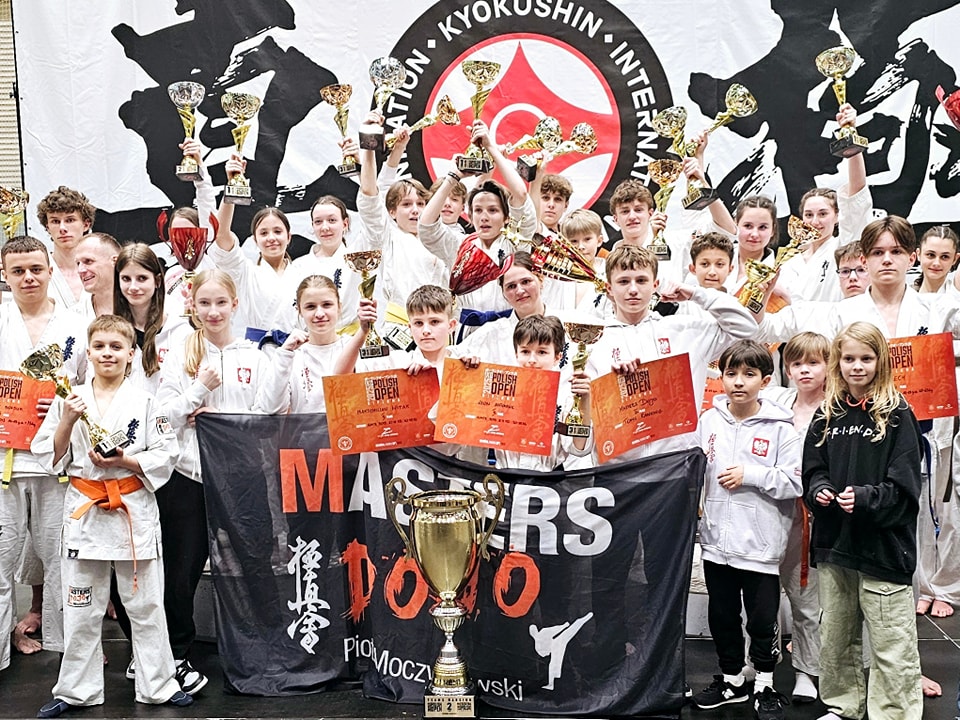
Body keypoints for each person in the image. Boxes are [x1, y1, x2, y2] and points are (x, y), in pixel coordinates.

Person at [30, 315, 191, 716]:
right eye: (100, 346)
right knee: (81, 609)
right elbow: (49, 455)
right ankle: (75, 690)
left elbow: (166, 454)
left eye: (116, 347)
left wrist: (126, 461)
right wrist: (67, 420)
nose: (107, 353)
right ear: (88, 352)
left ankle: (159, 685)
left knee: (146, 606)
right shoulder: (71, 398)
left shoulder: (147, 402)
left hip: (132, 511)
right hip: (85, 512)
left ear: (131, 354)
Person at [155, 269, 270, 694]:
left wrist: (222, 419)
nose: (214, 311)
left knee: (256, 563)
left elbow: (266, 416)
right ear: (192, 305)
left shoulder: (255, 356)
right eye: (205, 303)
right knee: (180, 571)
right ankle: (176, 653)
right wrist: (196, 392)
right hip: (190, 477)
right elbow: (163, 417)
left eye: (221, 302)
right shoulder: (179, 354)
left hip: (242, 478)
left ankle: (265, 645)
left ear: (235, 304)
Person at [803, 321, 924, 720]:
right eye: (849, 358)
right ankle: (843, 706)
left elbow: (905, 488)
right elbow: (813, 470)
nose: (857, 366)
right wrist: (820, 490)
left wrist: (868, 498)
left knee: (892, 640)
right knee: (836, 635)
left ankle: (895, 713)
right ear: (837, 362)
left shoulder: (898, 414)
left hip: (884, 547)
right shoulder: (826, 414)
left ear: (881, 361)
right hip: (835, 544)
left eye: (866, 358)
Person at [691, 340, 800, 720]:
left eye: (749, 374)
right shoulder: (708, 421)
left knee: (762, 620)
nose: (739, 382)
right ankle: (732, 680)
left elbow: (794, 481)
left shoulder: (782, 429)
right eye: (731, 373)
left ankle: (765, 683)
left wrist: (750, 475)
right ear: (720, 377)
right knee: (722, 616)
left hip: (760, 546)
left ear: (765, 381)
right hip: (716, 543)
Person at [0, 237, 85, 672]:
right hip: (4, 460)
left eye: (36, 268)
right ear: (5, 275)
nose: (28, 277)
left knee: (62, 560)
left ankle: (66, 648)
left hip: (57, 460)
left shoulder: (76, 324)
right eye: (18, 271)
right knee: (1, 562)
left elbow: (93, 384)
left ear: (51, 269)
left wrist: (63, 403)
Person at [586, 245, 757, 460]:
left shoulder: (686, 331)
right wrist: (612, 384)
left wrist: (696, 294)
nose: (633, 289)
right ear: (609, 288)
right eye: (623, 281)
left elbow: (746, 328)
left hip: (677, 462)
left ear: (655, 285)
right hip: (618, 466)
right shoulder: (594, 343)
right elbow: (588, 411)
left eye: (641, 280)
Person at [768, 332, 831, 703]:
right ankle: (758, 661)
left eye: (813, 363)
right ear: (787, 369)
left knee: (806, 600)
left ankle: (807, 670)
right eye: (797, 363)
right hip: (769, 510)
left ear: (828, 366)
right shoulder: (774, 401)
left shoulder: (838, 409)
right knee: (759, 596)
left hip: (810, 517)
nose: (805, 370)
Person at [776, 103, 873, 302]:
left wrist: (851, 138)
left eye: (823, 214)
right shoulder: (789, 261)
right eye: (809, 215)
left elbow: (857, 193)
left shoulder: (842, 247)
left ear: (837, 216)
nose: (815, 221)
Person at [257, 275, 375, 414]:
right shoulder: (291, 355)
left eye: (327, 305)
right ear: (299, 311)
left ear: (339, 307)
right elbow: (272, 408)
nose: (319, 314)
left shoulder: (357, 347)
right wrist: (284, 354)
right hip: (303, 429)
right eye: (310, 307)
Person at [36, 186, 95, 308]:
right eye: (55, 221)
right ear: (47, 227)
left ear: (86, 225)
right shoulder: (37, 271)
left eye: (70, 220)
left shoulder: (101, 268)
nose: (62, 228)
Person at [73, 233, 120, 321]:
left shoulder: (141, 309)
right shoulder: (72, 318)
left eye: (88, 261)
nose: (80, 270)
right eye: (78, 263)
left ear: (115, 261)